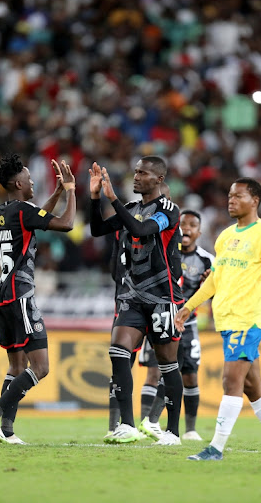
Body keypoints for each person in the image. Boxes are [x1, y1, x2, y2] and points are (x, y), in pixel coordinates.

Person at [174, 178, 261, 461]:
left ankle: (215, 449)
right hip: (227, 320)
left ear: (254, 200)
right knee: (251, 385)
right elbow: (215, 280)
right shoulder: (225, 236)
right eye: (230, 196)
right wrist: (188, 306)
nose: (231, 201)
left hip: (249, 319)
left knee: (230, 381)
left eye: (238, 196)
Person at [0, 156, 76, 444]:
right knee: (40, 367)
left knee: (16, 367)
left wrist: (55, 193)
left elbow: (35, 219)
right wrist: (70, 190)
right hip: (21, 294)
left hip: (3, 296)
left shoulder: (2, 212)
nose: (33, 182)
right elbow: (66, 224)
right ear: (18, 183)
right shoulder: (23, 210)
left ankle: (6, 430)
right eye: (29, 178)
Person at [90, 157, 185, 445]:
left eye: (143, 172)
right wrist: (96, 198)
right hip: (131, 296)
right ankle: (128, 425)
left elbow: (142, 230)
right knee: (118, 351)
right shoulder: (132, 209)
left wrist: (113, 200)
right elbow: (97, 229)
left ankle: (173, 432)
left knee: (167, 363)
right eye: (135, 171)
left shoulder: (168, 209)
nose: (136, 176)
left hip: (161, 298)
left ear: (158, 179)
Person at [139, 209, 214, 442]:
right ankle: (144, 425)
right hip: (160, 320)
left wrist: (209, 287)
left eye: (193, 225)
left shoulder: (207, 261)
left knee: (190, 375)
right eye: (183, 224)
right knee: (154, 372)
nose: (187, 229)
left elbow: (216, 294)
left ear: (199, 232)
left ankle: (190, 429)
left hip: (188, 324)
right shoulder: (163, 250)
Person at [106, 184, 171, 438]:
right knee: (121, 359)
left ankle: (156, 424)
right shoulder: (126, 224)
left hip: (160, 303)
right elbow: (114, 266)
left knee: (164, 365)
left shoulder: (166, 226)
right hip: (128, 302)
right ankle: (119, 425)